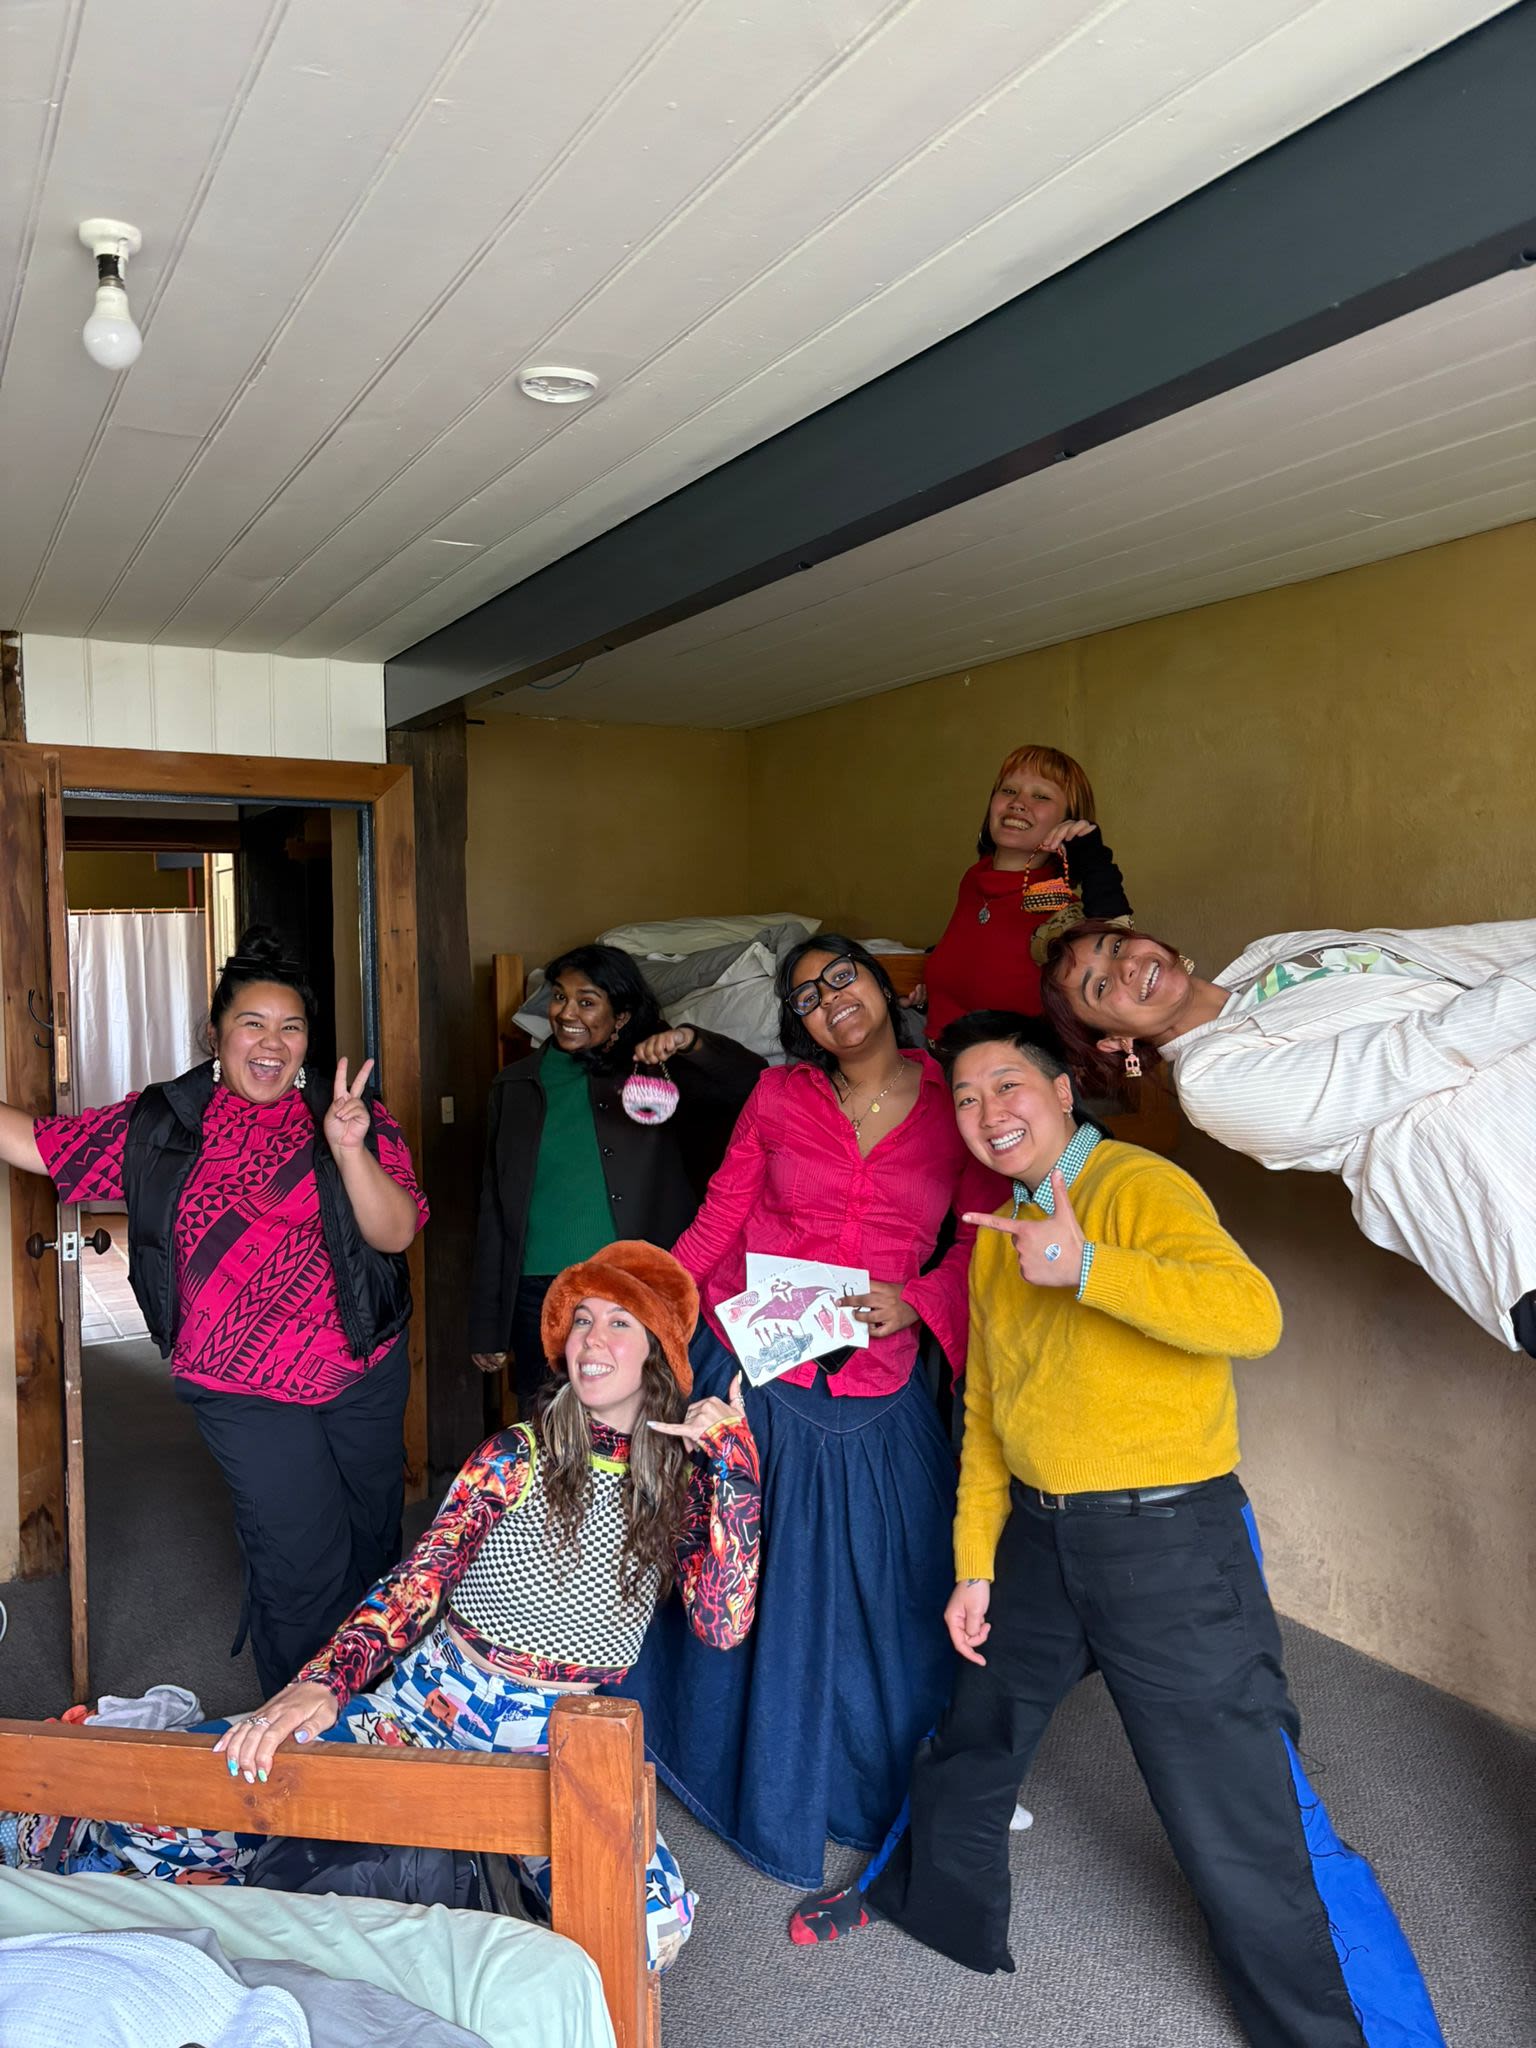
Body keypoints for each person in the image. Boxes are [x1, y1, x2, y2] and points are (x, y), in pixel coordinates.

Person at [792, 1012, 1446, 2048]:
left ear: (1060, 1091)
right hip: (1042, 1546)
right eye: (964, 1098)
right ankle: (930, 1897)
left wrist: (1092, 1264)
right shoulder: (999, 1239)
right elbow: (986, 1424)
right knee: (971, 1735)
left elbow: (1252, 1314)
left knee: (1238, 1813)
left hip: (1170, 1546)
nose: (986, 1113)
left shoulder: (1138, 1185)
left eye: (1007, 1085)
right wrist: (975, 1566)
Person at [216, 1240, 760, 1972]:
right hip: (429, 1702)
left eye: (619, 1323)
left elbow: (720, 1624)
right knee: (226, 1788)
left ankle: (477, 1884)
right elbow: (421, 1579)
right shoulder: (517, 1452)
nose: (592, 1341)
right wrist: (328, 1677)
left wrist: (733, 1469)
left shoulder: (684, 1485)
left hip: (557, 1739)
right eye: (582, 1321)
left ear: (657, 1352)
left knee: (646, 1931)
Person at [617, 937, 1004, 1890]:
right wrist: (641, 1311)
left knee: (902, 1586)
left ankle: (897, 1786)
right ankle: (739, 1767)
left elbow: (982, 1241)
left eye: (844, 978)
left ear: (881, 988)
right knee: (737, 1574)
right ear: (799, 1025)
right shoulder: (782, 1097)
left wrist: (919, 1300)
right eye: (807, 997)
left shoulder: (955, 1099)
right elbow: (722, 1216)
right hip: (758, 1361)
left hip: (881, 1379)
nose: (832, 1001)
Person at [0, 927, 425, 1699]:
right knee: (299, 1561)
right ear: (215, 1035)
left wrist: (352, 1148)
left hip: (361, 1372)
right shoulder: (161, 1124)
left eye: (290, 1027)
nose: (272, 1043)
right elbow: (36, 1141)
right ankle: (301, 1758)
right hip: (241, 1388)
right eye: (252, 1024)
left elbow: (393, 1232)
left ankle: (374, 1721)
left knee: (373, 1548)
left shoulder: (352, 1117)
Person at [1040, 916, 1536, 1355]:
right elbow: (1411, 1056)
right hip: (1514, 1203)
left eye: (1116, 947)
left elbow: (1459, 954)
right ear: (1114, 1041)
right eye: (1100, 988)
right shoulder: (1210, 1083)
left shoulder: (1270, 953)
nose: (1124, 967)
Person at [470, 943, 764, 1414]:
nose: (567, 1012)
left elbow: (753, 1082)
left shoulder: (655, 1072)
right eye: (560, 997)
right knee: (548, 1427)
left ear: (622, 1015)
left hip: (636, 1282)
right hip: (539, 1293)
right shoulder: (515, 1086)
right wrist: (488, 1324)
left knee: (644, 1429)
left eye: (587, 1002)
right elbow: (493, 1206)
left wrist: (691, 1041)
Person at [919, 744, 1131, 1040]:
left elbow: (1120, 961)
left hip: (1008, 1079)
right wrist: (928, 991)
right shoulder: (974, 880)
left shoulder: (1063, 912)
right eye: (1008, 791)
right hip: (938, 1063)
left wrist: (1092, 855)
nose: (1018, 803)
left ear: (1067, 822)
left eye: (1041, 796)